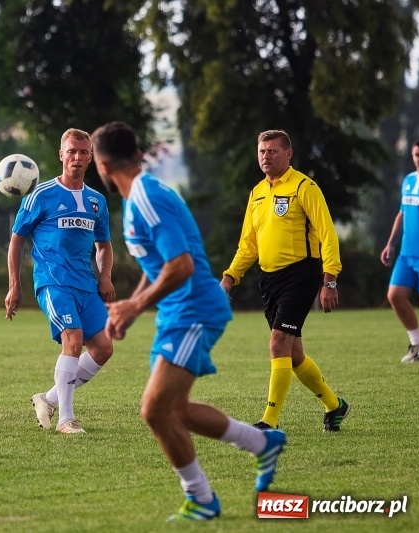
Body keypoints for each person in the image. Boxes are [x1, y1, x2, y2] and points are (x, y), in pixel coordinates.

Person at [91, 121, 286, 521]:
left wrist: (135, 305)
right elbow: (161, 261)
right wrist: (135, 303)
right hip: (179, 311)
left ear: (104, 164)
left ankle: (201, 498)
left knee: (154, 410)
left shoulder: (146, 197)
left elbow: (180, 266)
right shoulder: (138, 197)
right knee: (173, 409)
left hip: (193, 308)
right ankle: (261, 444)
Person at [219, 129, 350, 432]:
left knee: (278, 343)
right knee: (293, 354)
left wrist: (329, 280)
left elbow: (328, 234)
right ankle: (335, 405)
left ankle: (269, 421)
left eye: (273, 151)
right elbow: (248, 244)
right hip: (270, 279)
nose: (266, 156)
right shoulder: (257, 193)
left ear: (288, 154)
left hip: (302, 274)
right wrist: (229, 277)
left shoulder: (305, 187)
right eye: (262, 151)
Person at [5, 128, 115, 435]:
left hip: (86, 285)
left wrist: (105, 276)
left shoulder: (96, 201)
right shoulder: (41, 195)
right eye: (71, 152)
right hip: (53, 282)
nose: (77, 158)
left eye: (83, 152)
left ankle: (48, 399)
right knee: (74, 339)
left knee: (104, 348)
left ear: (90, 157)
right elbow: (17, 241)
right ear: (61, 155)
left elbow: (104, 245)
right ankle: (67, 419)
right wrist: (15, 285)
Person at [380, 139, 419, 363]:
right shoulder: (408, 180)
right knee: (395, 295)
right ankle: (417, 343)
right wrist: (390, 244)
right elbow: (402, 213)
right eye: (417, 154)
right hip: (406, 254)